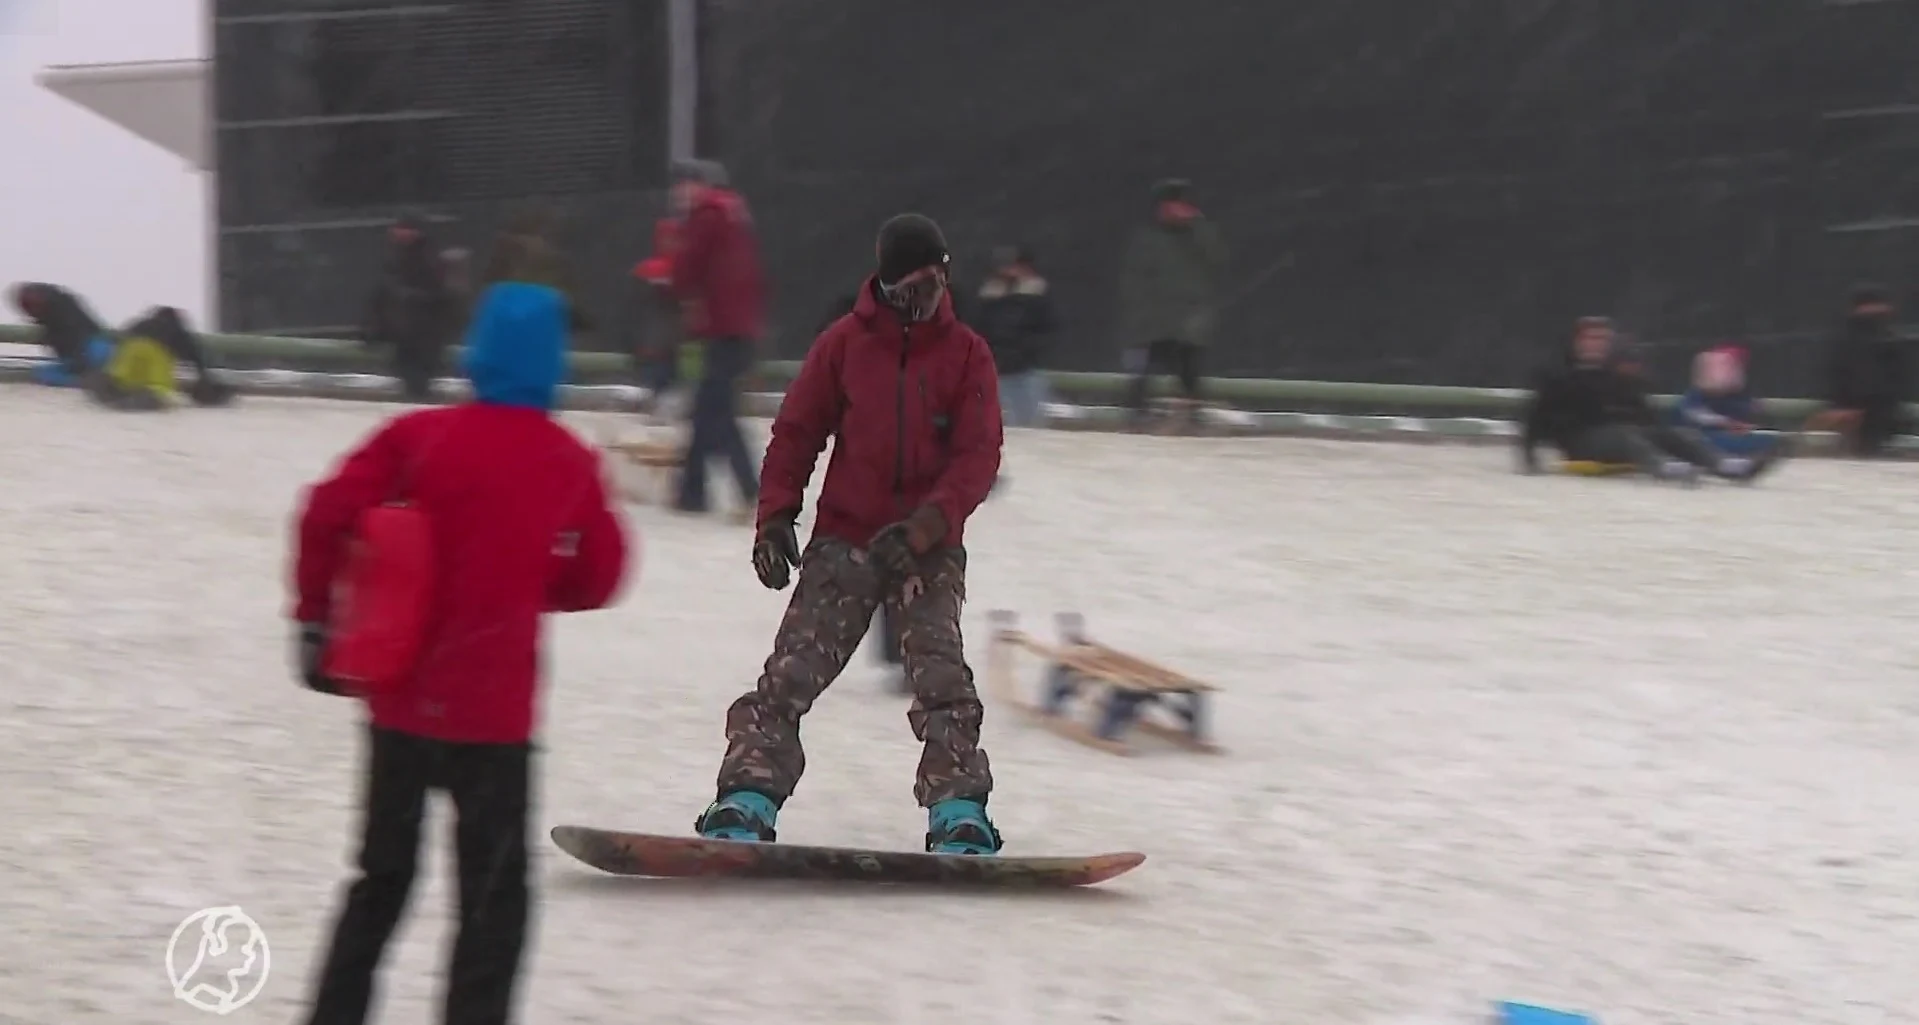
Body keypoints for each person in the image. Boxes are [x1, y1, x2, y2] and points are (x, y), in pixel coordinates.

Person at [292, 282, 630, 1025]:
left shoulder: (417, 437)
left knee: (379, 881)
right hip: (493, 724)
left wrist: (313, 618)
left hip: (401, 705)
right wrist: (529, 586)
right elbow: (602, 573)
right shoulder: (565, 459)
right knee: (492, 902)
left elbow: (324, 511)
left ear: (476, 353)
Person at [695, 213, 1005, 854]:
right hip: (847, 537)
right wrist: (776, 515)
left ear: (944, 275)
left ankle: (958, 809)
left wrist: (926, 525)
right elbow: (797, 431)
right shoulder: (844, 343)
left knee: (941, 678)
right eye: (900, 291)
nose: (913, 303)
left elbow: (977, 457)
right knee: (790, 674)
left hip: (927, 546)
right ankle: (747, 797)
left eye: (923, 286)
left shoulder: (967, 354)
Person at [1519, 317, 1763, 483]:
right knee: (1626, 435)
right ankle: (1661, 465)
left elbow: (1641, 411)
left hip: (1622, 432)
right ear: (1577, 341)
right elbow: (1537, 413)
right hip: (1580, 438)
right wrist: (1529, 455)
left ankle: (1724, 464)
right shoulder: (1559, 372)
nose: (1596, 344)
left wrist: (1661, 432)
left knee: (1675, 433)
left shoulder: (1615, 372)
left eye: (1602, 339)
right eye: (1590, 338)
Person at [668, 159, 765, 515]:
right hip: (740, 324)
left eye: (682, 185)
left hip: (721, 325)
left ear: (697, 186)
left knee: (717, 411)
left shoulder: (706, 216)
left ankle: (751, 490)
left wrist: (673, 285)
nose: (678, 193)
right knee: (707, 409)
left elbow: (686, 269)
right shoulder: (734, 216)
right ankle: (691, 493)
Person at [1116, 178, 1227, 426]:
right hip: (1152, 322)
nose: (1173, 211)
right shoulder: (1147, 238)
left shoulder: (1201, 235)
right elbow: (1132, 279)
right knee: (1140, 376)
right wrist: (1140, 312)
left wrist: (1197, 224)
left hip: (1188, 321)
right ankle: (1136, 417)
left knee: (1190, 373)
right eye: (1168, 206)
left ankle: (1193, 418)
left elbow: (1218, 259)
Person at [362, 214, 455, 401]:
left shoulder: (426, 257)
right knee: (411, 372)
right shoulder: (399, 256)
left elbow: (440, 293)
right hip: (408, 329)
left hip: (419, 330)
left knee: (416, 375)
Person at [973, 244, 1058, 428]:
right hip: (996, 369)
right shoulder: (990, 296)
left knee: (1031, 423)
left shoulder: (1037, 295)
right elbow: (980, 330)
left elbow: (1047, 329)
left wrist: (1028, 350)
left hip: (1026, 370)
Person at [1672, 344, 1783, 478]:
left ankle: (1737, 462)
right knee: (1695, 440)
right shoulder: (1696, 395)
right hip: (1706, 436)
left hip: (1734, 436)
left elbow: (1748, 415)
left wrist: (1750, 420)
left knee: (1768, 440)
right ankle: (1725, 464)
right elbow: (1694, 414)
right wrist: (1726, 423)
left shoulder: (1740, 395)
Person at [1823, 284, 1908, 456]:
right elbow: (1843, 372)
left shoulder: (1885, 336)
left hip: (1878, 411)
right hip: (1862, 411)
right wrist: (1844, 405)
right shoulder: (1854, 338)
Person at [9, 281, 113, 387]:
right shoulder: (57, 319)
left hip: (91, 353)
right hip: (84, 356)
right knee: (42, 373)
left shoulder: (63, 315)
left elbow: (76, 346)